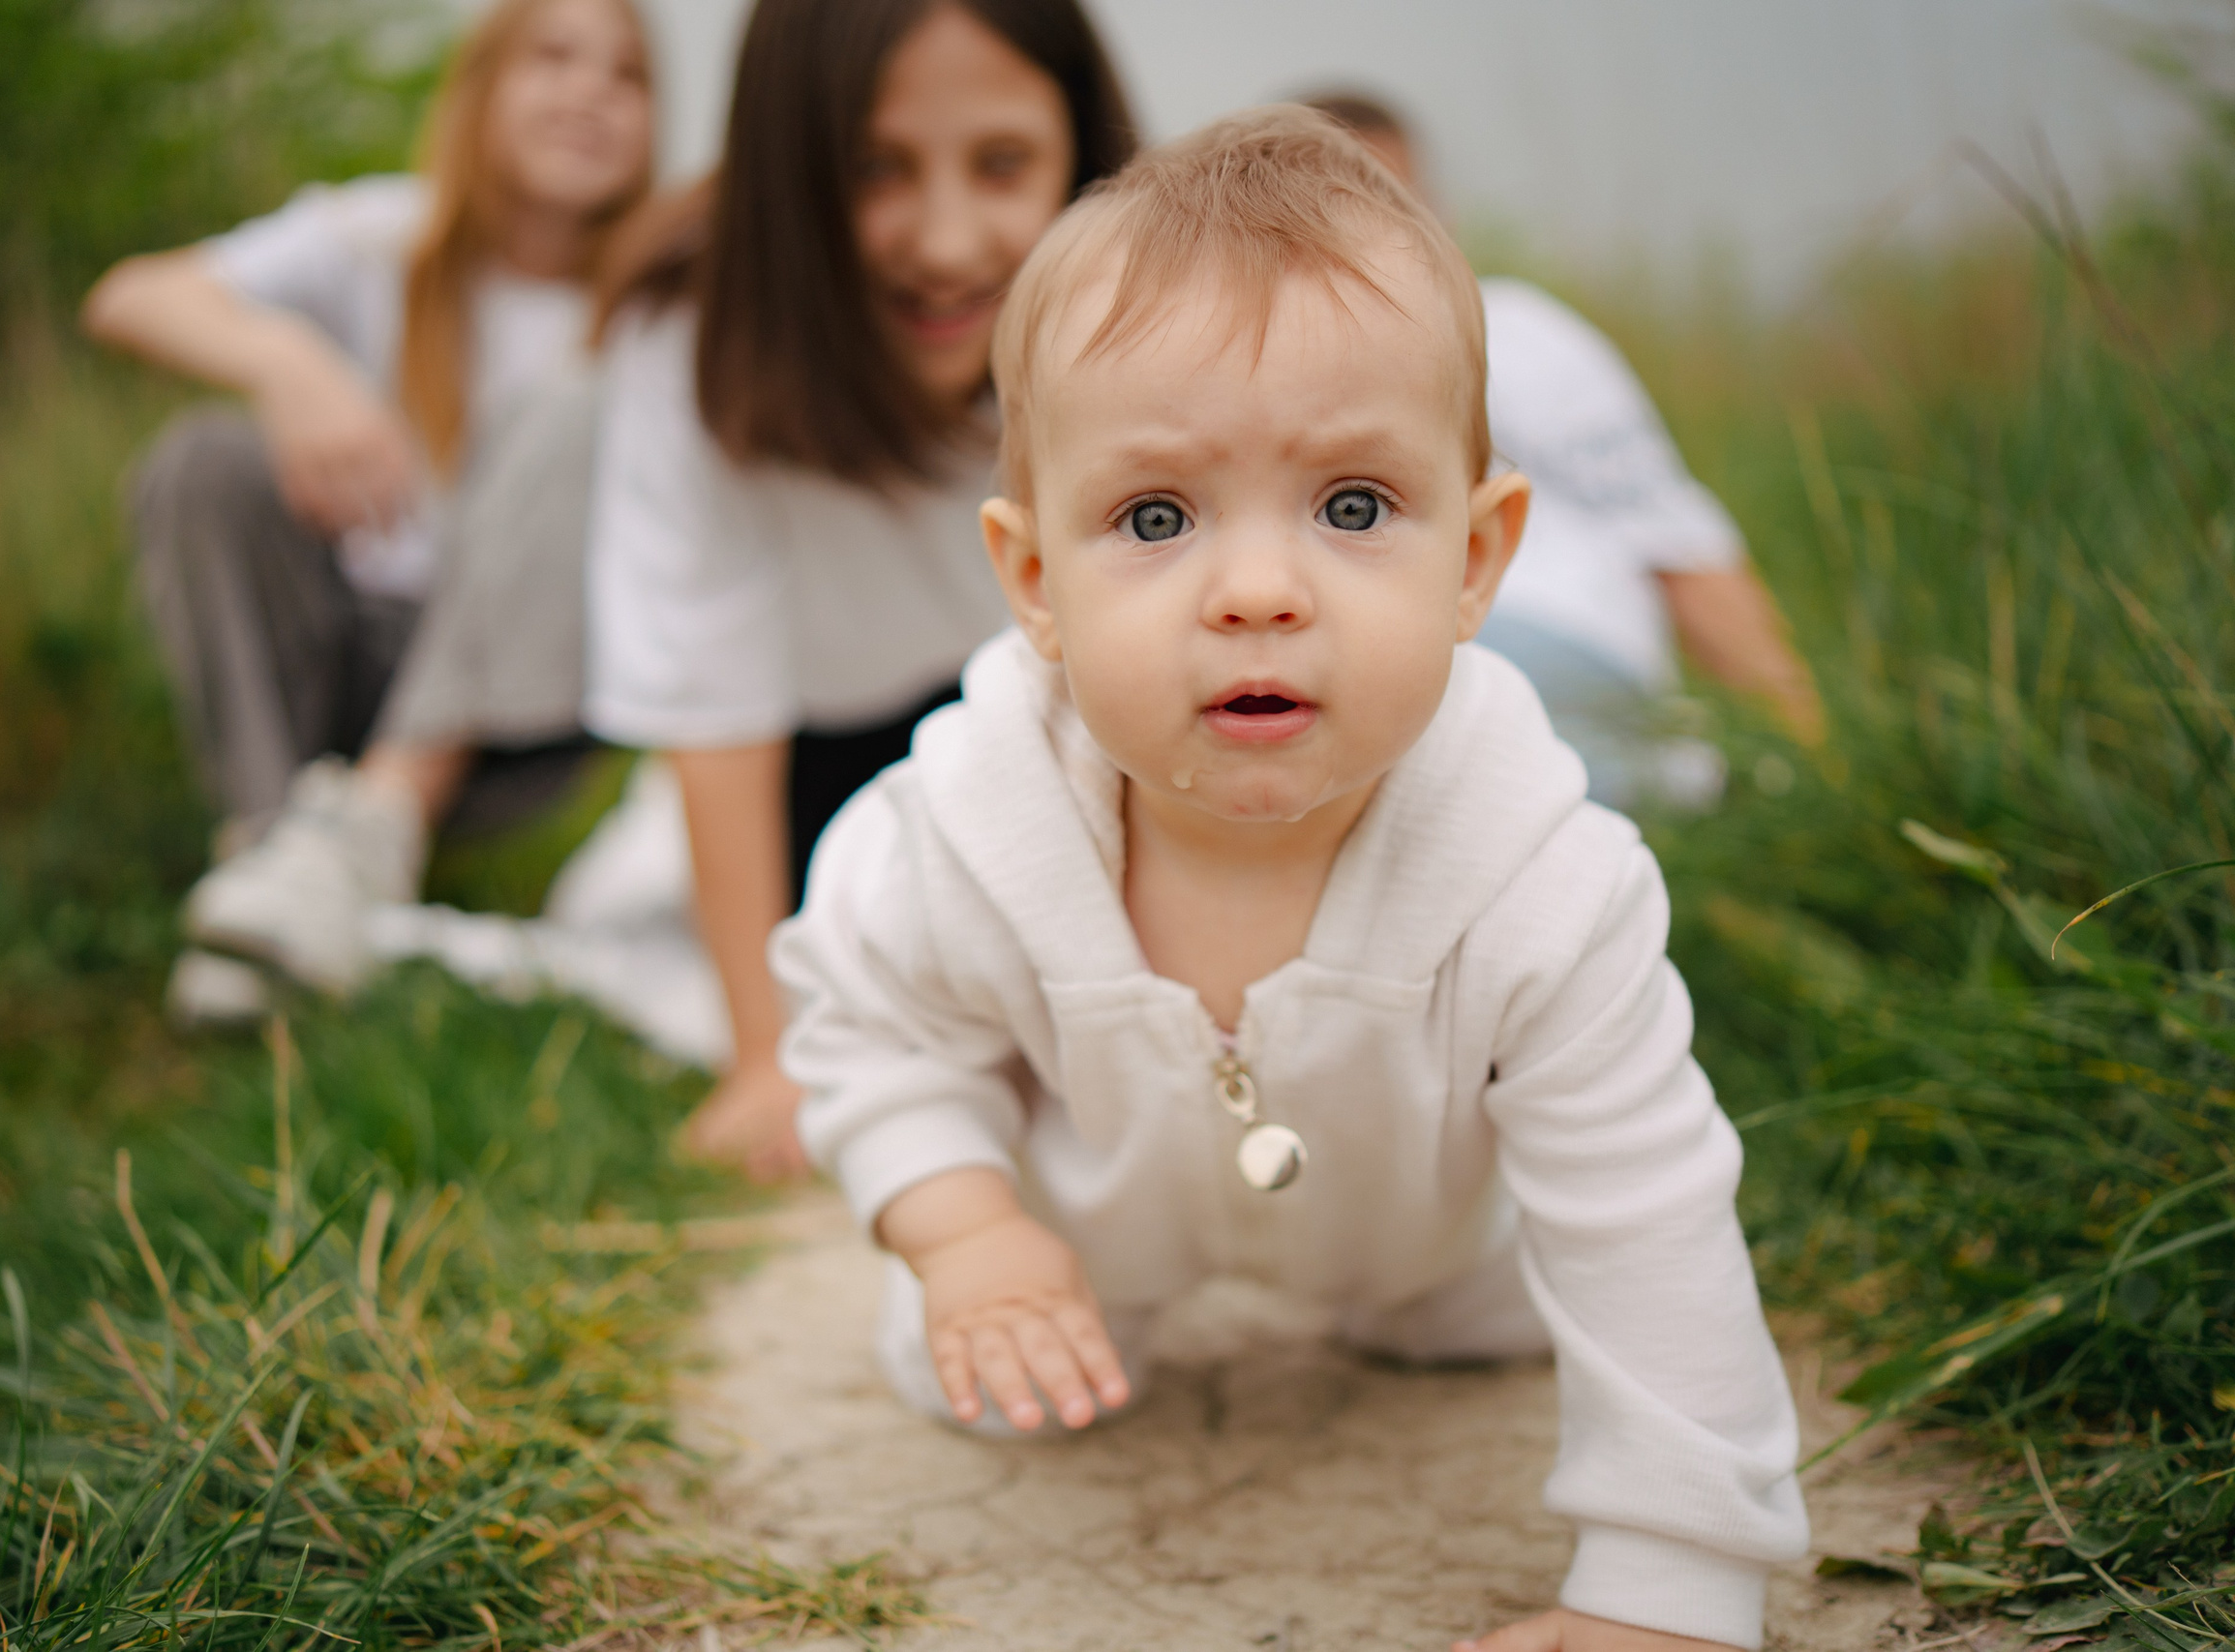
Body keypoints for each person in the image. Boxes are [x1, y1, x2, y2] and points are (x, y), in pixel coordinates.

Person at [774, 109, 1807, 1650]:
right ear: (1036, 581)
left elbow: (1644, 1215)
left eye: (1352, 506)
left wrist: (1673, 1585)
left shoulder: (1545, 880)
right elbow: (873, 1032)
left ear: (1478, 558)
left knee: (1544, 1308)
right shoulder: (962, 830)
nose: (1258, 591)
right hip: (1095, 1237)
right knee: (968, 1365)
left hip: (1444, 1245)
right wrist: (963, 1226)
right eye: (1155, 516)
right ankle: (1020, 1278)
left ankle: (1441, 1327)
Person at [584, 0, 1137, 1178]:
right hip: (816, 761)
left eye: (1002, 163)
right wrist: (763, 1057)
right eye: (875, 169)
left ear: (1081, 154)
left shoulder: (1138, 312)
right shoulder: (692, 339)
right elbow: (712, 706)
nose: (945, 241)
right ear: (787, 174)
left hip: (1064, 722)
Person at [81, 0, 655, 1016]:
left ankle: (374, 827)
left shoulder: (657, 301)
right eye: (554, 57)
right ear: (484, 86)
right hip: (345, 645)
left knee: (578, 408)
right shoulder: (383, 236)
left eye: (627, 76)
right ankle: (277, 867)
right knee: (204, 462)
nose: (589, 95)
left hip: (528, 702)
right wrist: (287, 363)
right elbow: (130, 296)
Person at [1306, 91, 1821, 809]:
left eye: (1398, 203)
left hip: (1554, 632)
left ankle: (1660, 784)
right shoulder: (1260, 367)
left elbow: (1681, 546)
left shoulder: (1518, 331)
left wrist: (1815, 751)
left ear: (1439, 214)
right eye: (1336, 210)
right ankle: (1655, 785)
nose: (1374, 235)